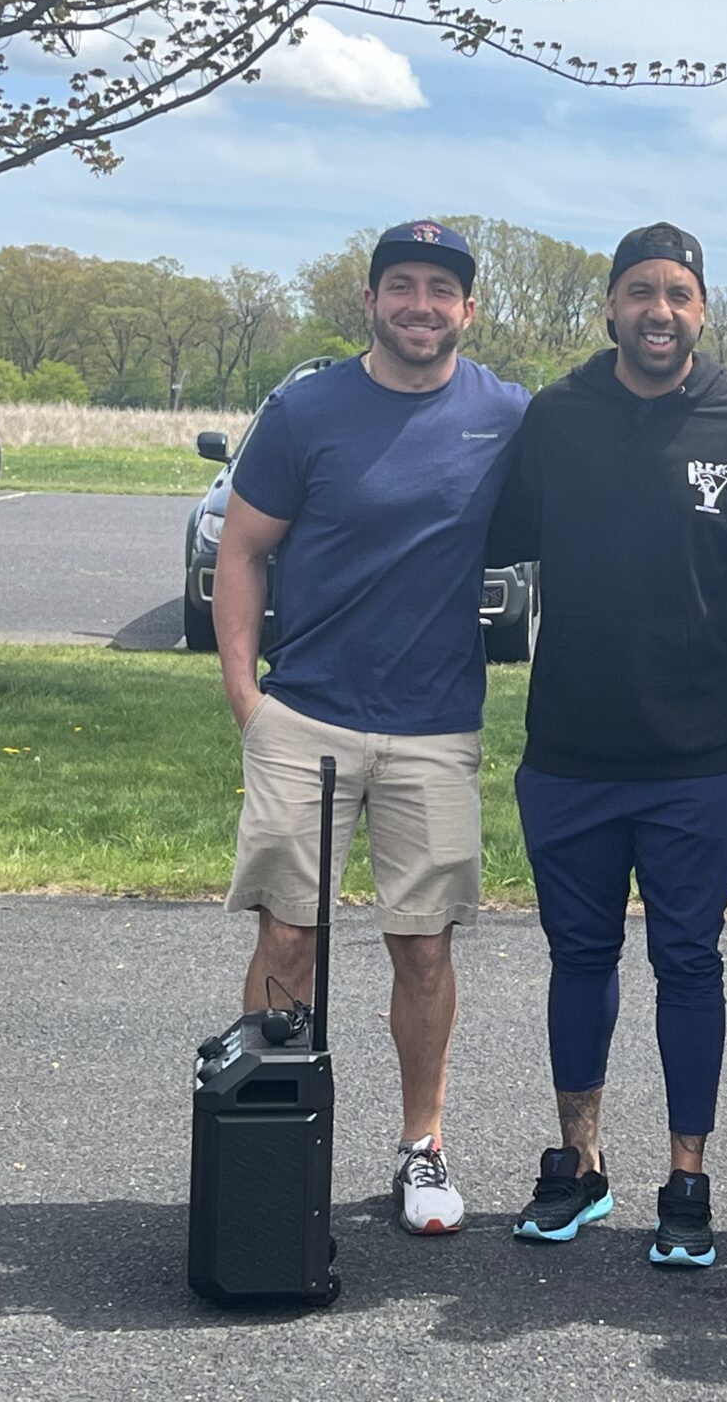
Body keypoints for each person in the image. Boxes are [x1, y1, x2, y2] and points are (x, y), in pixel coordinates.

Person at [216, 219, 528, 1235]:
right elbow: (243, 551)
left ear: (468, 310)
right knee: (289, 933)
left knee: (423, 950)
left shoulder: (505, 415)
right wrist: (244, 698)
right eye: (402, 286)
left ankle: (421, 1147)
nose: (421, 306)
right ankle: (266, 1123)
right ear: (370, 299)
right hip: (304, 713)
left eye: (442, 290)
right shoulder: (306, 410)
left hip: (435, 725)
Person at [490, 222, 727, 1268]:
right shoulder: (556, 417)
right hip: (569, 747)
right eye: (639, 292)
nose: (659, 310)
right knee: (580, 959)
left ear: (702, 310)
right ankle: (580, 1166)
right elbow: (480, 534)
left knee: (687, 961)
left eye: (680, 293)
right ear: (609, 307)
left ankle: (687, 1178)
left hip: (696, 755)